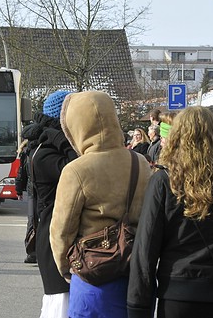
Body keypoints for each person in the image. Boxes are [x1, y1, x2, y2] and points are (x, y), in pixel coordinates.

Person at [128, 106, 213, 318]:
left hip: (178, 296)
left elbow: (145, 250)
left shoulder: (165, 181)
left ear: (177, 136)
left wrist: (137, 306)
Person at [49, 91, 151, 318]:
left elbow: (62, 230)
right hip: (135, 272)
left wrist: (67, 268)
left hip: (93, 275)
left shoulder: (76, 170)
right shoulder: (140, 162)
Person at [29, 90, 78, 318]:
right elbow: (77, 169)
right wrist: (61, 139)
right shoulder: (46, 154)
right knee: (60, 305)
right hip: (53, 238)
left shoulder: (49, 148)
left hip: (59, 233)